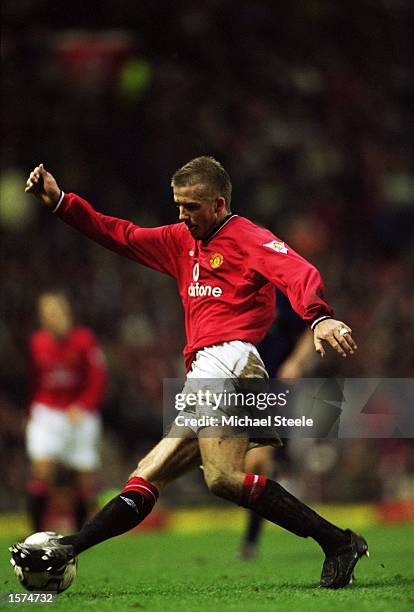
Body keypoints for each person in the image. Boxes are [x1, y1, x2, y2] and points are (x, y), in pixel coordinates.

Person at [11, 158, 368, 590]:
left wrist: (319, 318)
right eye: (178, 205)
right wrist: (62, 203)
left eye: (192, 207)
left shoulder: (248, 238)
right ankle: (338, 542)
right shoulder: (180, 240)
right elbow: (120, 234)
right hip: (209, 369)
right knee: (151, 473)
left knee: (217, 477)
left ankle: (66, 547)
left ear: (219, 204)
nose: (182, 215)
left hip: (231, 361)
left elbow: (297, 271)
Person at [240, 294, 315, 559]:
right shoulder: (232, 286)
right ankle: (281, 471)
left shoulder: (281, 296)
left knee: (258, 463)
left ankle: (250, 540)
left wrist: (296, 363)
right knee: (243, 469)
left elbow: (309, 331)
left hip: (273, 388)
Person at [26, 291, 106, 531]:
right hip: (48, 412)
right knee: (42, 471)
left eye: (56, 312)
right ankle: (34, 535)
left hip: (80, 414)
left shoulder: (84, 341)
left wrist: (83, 405)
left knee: (82, 477)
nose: (52, 317)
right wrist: (31, 410)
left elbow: (97, 378)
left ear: (66, 313)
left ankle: (79, 536)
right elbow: (34, 379)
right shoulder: (37, 342)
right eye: (47, 313)